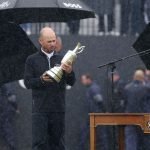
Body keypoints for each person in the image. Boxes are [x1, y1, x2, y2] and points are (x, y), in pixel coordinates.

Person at [24, 27, 76, 150]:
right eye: (49, 41)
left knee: (58, 144)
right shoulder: (32, 60)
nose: (53, 44)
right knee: (40, 144)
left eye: (54, 41)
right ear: (40, 41)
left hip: (58, 109)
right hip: (40, 109)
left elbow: (72, 82)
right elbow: (27, 83)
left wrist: (69, 72)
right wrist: (41, 80)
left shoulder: (62, 59)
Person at [80, 74, 108, 150]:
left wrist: (104, 111)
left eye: (83, 79)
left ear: (88, 79)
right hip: (93, 116)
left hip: (97, 116)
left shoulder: (94, 88)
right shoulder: (91, 88)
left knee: (101, 136)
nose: (82, 82)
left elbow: (99, 100)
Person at [124, 70, 148, 150]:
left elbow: (124, 103)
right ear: (143, 78)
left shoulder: (127, 88)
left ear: (134, 77)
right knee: (146, 141)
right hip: (145, 119)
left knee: (131, 142)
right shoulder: (146, 89)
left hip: (130, 118)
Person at [0, 83, 19, 150]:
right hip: (3, 108)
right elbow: (10, 95)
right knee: (7, 130)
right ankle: (11, 147)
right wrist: (15, 107)